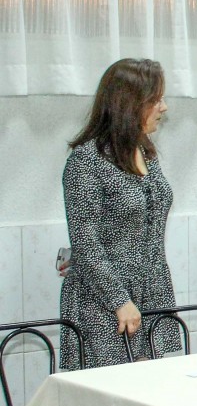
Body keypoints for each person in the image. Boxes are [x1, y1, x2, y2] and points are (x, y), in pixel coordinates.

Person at [59, 58, 179, 368]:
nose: (163, 107)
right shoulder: (87, 160)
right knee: (110, 393)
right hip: (105, 303)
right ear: (130, 103)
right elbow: (85, 241)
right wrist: (120, 301)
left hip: (151, 292)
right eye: (156, 99)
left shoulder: (146, 153)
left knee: (153, 389)